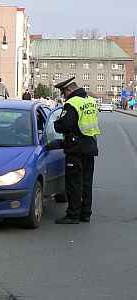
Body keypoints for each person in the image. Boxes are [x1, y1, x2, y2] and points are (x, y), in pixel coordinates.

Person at [52, 77, 100, 224]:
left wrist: (56, 123)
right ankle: (85, 213)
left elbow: (64, 125)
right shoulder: (90, 101)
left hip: (75, 149)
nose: (63, 96)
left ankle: (73, 214)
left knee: (74, 183)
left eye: (63, 93)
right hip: (90, 147)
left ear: (69, 90)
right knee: (86, 182)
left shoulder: (72, 103)